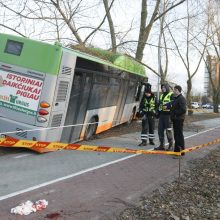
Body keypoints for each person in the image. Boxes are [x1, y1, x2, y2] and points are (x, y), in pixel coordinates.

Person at [154, 83, 174, 151]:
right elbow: (159, 106)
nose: (163, 88)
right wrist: (157, 113)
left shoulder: (171, 94)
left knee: (168, 131)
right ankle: (161, 145)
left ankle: (170, 145)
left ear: (167, 87)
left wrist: (164, 106)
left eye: (164, 87)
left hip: (168, 115)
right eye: (162, 87)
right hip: (162, 116)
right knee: (160, 131)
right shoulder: (161, 95)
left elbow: (172, 104)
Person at [170, 85, 187, 157]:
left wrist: (175, 114)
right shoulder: (176, 98)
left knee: (179, 135)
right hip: (175, 119)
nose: (173, 91)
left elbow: (183, 110)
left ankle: (180, 152)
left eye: (175, 90)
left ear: (178, 90)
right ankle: (177, 151)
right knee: (176, 135)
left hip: (179, 119)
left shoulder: (181, 99)